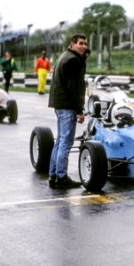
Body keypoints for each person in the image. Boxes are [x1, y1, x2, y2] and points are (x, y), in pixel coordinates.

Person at [48, 33, 88, 189]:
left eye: (85, 43)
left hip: (60, 104)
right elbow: (73, 89)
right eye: (80, 43)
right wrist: (79, 110)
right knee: (66, 142)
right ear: (72, 44)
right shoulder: (73, 60)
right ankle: (62, 177)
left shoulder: (64, 56)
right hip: (67, 106)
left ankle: (53, 175)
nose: (83, 46)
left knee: (59, 141)